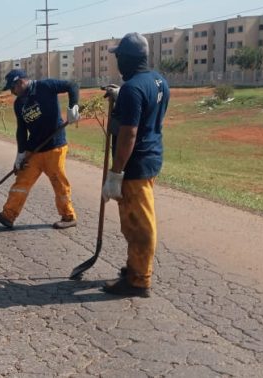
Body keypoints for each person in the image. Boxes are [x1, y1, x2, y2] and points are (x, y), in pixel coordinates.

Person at [101, 32, 169, 298]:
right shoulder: (159, 80)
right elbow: (149, 111)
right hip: (151, 156)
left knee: (138, 223)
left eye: (118, 56)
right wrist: (121, 98)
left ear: (126, 59)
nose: (116, 61)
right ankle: (134, 268)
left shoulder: (133, 88)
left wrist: (116, 173)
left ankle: (139, 280)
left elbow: (128, 134)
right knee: (135, 219)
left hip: (135, 164)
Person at [0, 69, 80, 229]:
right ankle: (8, 216)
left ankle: (68, 217)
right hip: (33, 150)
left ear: (20, 82)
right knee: (21, 182)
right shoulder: (19, 104)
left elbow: (72, 85)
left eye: (12, 88)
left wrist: (73, 107)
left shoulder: (46, 86)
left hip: (54, 146)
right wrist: (20, 154)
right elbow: (21, 130)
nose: (12, 91)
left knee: (59, 183)